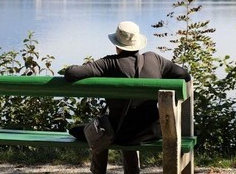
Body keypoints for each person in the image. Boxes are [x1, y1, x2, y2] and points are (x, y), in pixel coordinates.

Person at [64, 21, 191, 174]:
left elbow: (71, 74)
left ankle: (98, 171)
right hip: (151, 132)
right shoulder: (155, 59)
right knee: (122, 123)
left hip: (120, 133)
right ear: (137, 43)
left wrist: (71, 67)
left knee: (89, 130)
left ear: (117, 44)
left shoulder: (109, 63)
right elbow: (184, 74)